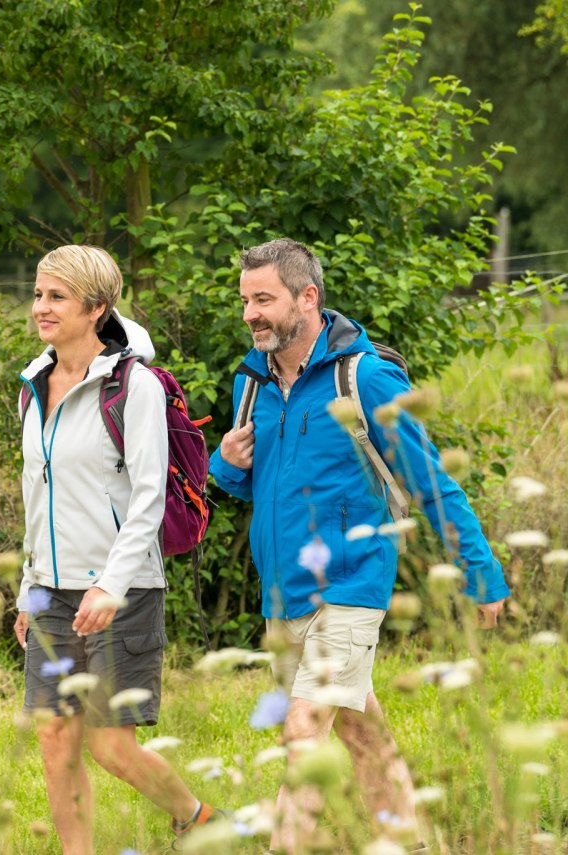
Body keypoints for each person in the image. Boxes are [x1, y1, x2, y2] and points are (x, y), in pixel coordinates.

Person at [207, 238, 509, 853]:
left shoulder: (362, 378)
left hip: (351, 581)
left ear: (307, 297)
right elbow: (249, 482)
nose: (251, 314)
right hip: (285, 588)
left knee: (303, 731)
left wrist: (478, 571)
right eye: (245, 301)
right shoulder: (253, 380)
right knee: (358, 727)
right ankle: (409, 838)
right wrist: (222, 464)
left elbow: (432, 481)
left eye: (263, 300)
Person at [14, 244, 222, 854]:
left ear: (97, 306)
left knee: (109, 744)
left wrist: (112, 584)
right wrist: (30, 588)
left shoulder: (134, 388)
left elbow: (148, 498)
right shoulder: (32, 385)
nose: (41, 307)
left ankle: (196, 816)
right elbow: (36, 494)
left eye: (56, 296)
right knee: (55, 737)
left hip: (123, 588)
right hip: (52, 590)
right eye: (37, 293)